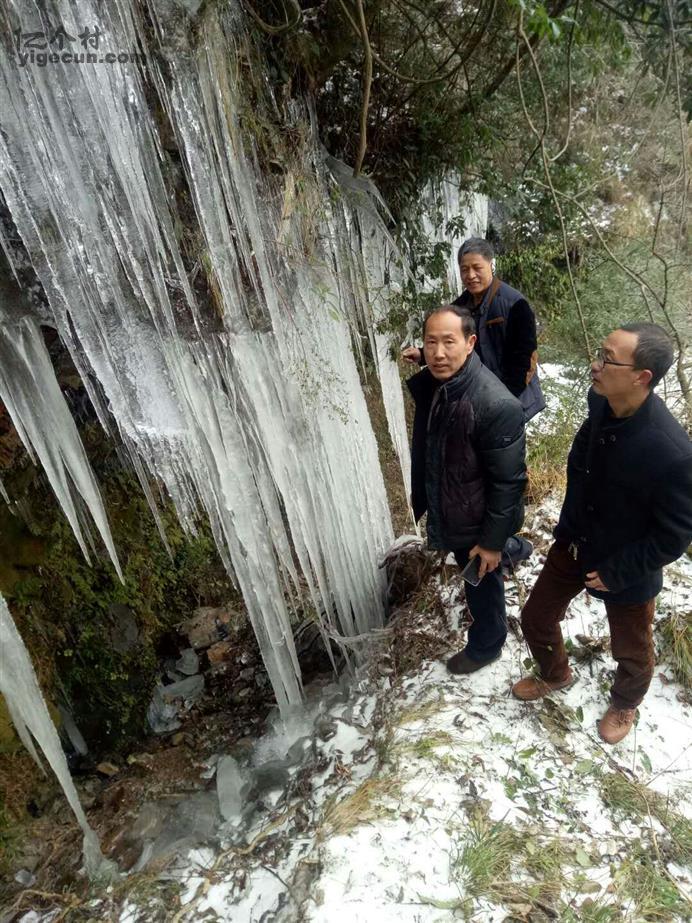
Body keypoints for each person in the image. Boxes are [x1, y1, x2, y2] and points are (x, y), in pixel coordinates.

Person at [511, 323, 692, 744]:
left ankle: (626, 701)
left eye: (607, 358)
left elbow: (674, 536)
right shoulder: (602, 400)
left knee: (631, 650)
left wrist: (618, 571)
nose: (595, 364)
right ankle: (555, 673)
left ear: (641, 376)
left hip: (625, 565)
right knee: (536, 618)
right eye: (599, 352)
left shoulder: (672, 452)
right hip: (575, 541)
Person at [403, 238, 543, 570]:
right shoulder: (462, 304)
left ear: (491, 265)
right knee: (478, 474)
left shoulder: (515, 304)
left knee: (502, 474)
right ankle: (495, 542)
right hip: (474, 398)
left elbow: (524, 360)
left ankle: (502, 544)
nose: (470, 274)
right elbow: (456, 345)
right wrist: (425, 356)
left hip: (507, 400)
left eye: (476, 267)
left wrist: (499, 398)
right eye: (464, 269)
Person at [406, 304, 527, 674]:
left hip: (474, 516)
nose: (438, 353)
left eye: (449, 342)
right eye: (430, 343)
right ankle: (513, 548)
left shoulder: (494, 404)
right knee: (482, 561)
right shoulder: (445, 381)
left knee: (481, 579)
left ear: (471, 342)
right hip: (458, 501)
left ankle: (487, 645)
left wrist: (490, 542)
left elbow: (509, 483)